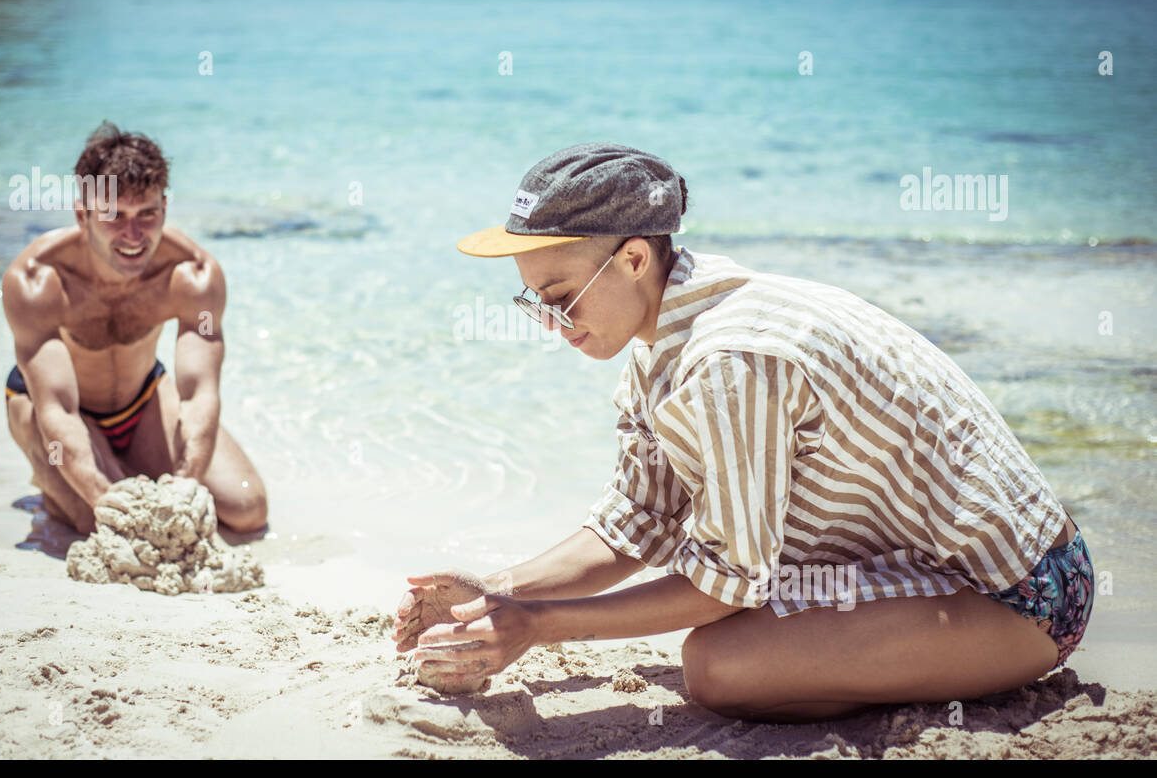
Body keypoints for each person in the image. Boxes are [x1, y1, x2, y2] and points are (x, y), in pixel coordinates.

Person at [392, 141, 1093, 721]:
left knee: (721, 665)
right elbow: (636, 521)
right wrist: (498, 592)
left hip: (1022, 596)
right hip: (930, 569)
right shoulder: (664, 337)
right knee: (731, 633)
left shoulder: (730, 360)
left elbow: (727, 581)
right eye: (532, 302)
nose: (552, 323)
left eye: (560, 297)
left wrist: (538, 626)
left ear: (634, 257)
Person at [1, 121, 268, 535]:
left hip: (142, 397)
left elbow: (199, 394)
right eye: (113, 216)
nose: (133, 235)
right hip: (54, 408)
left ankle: (121, 464)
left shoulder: (192, 274)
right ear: (82, 214)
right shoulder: (38, 280)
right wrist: (99, 494)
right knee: (106, 523)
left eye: (147, 214)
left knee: (247, 509)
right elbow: (58, 407)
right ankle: (51, 478)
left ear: (164, 207)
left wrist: (188, 482)